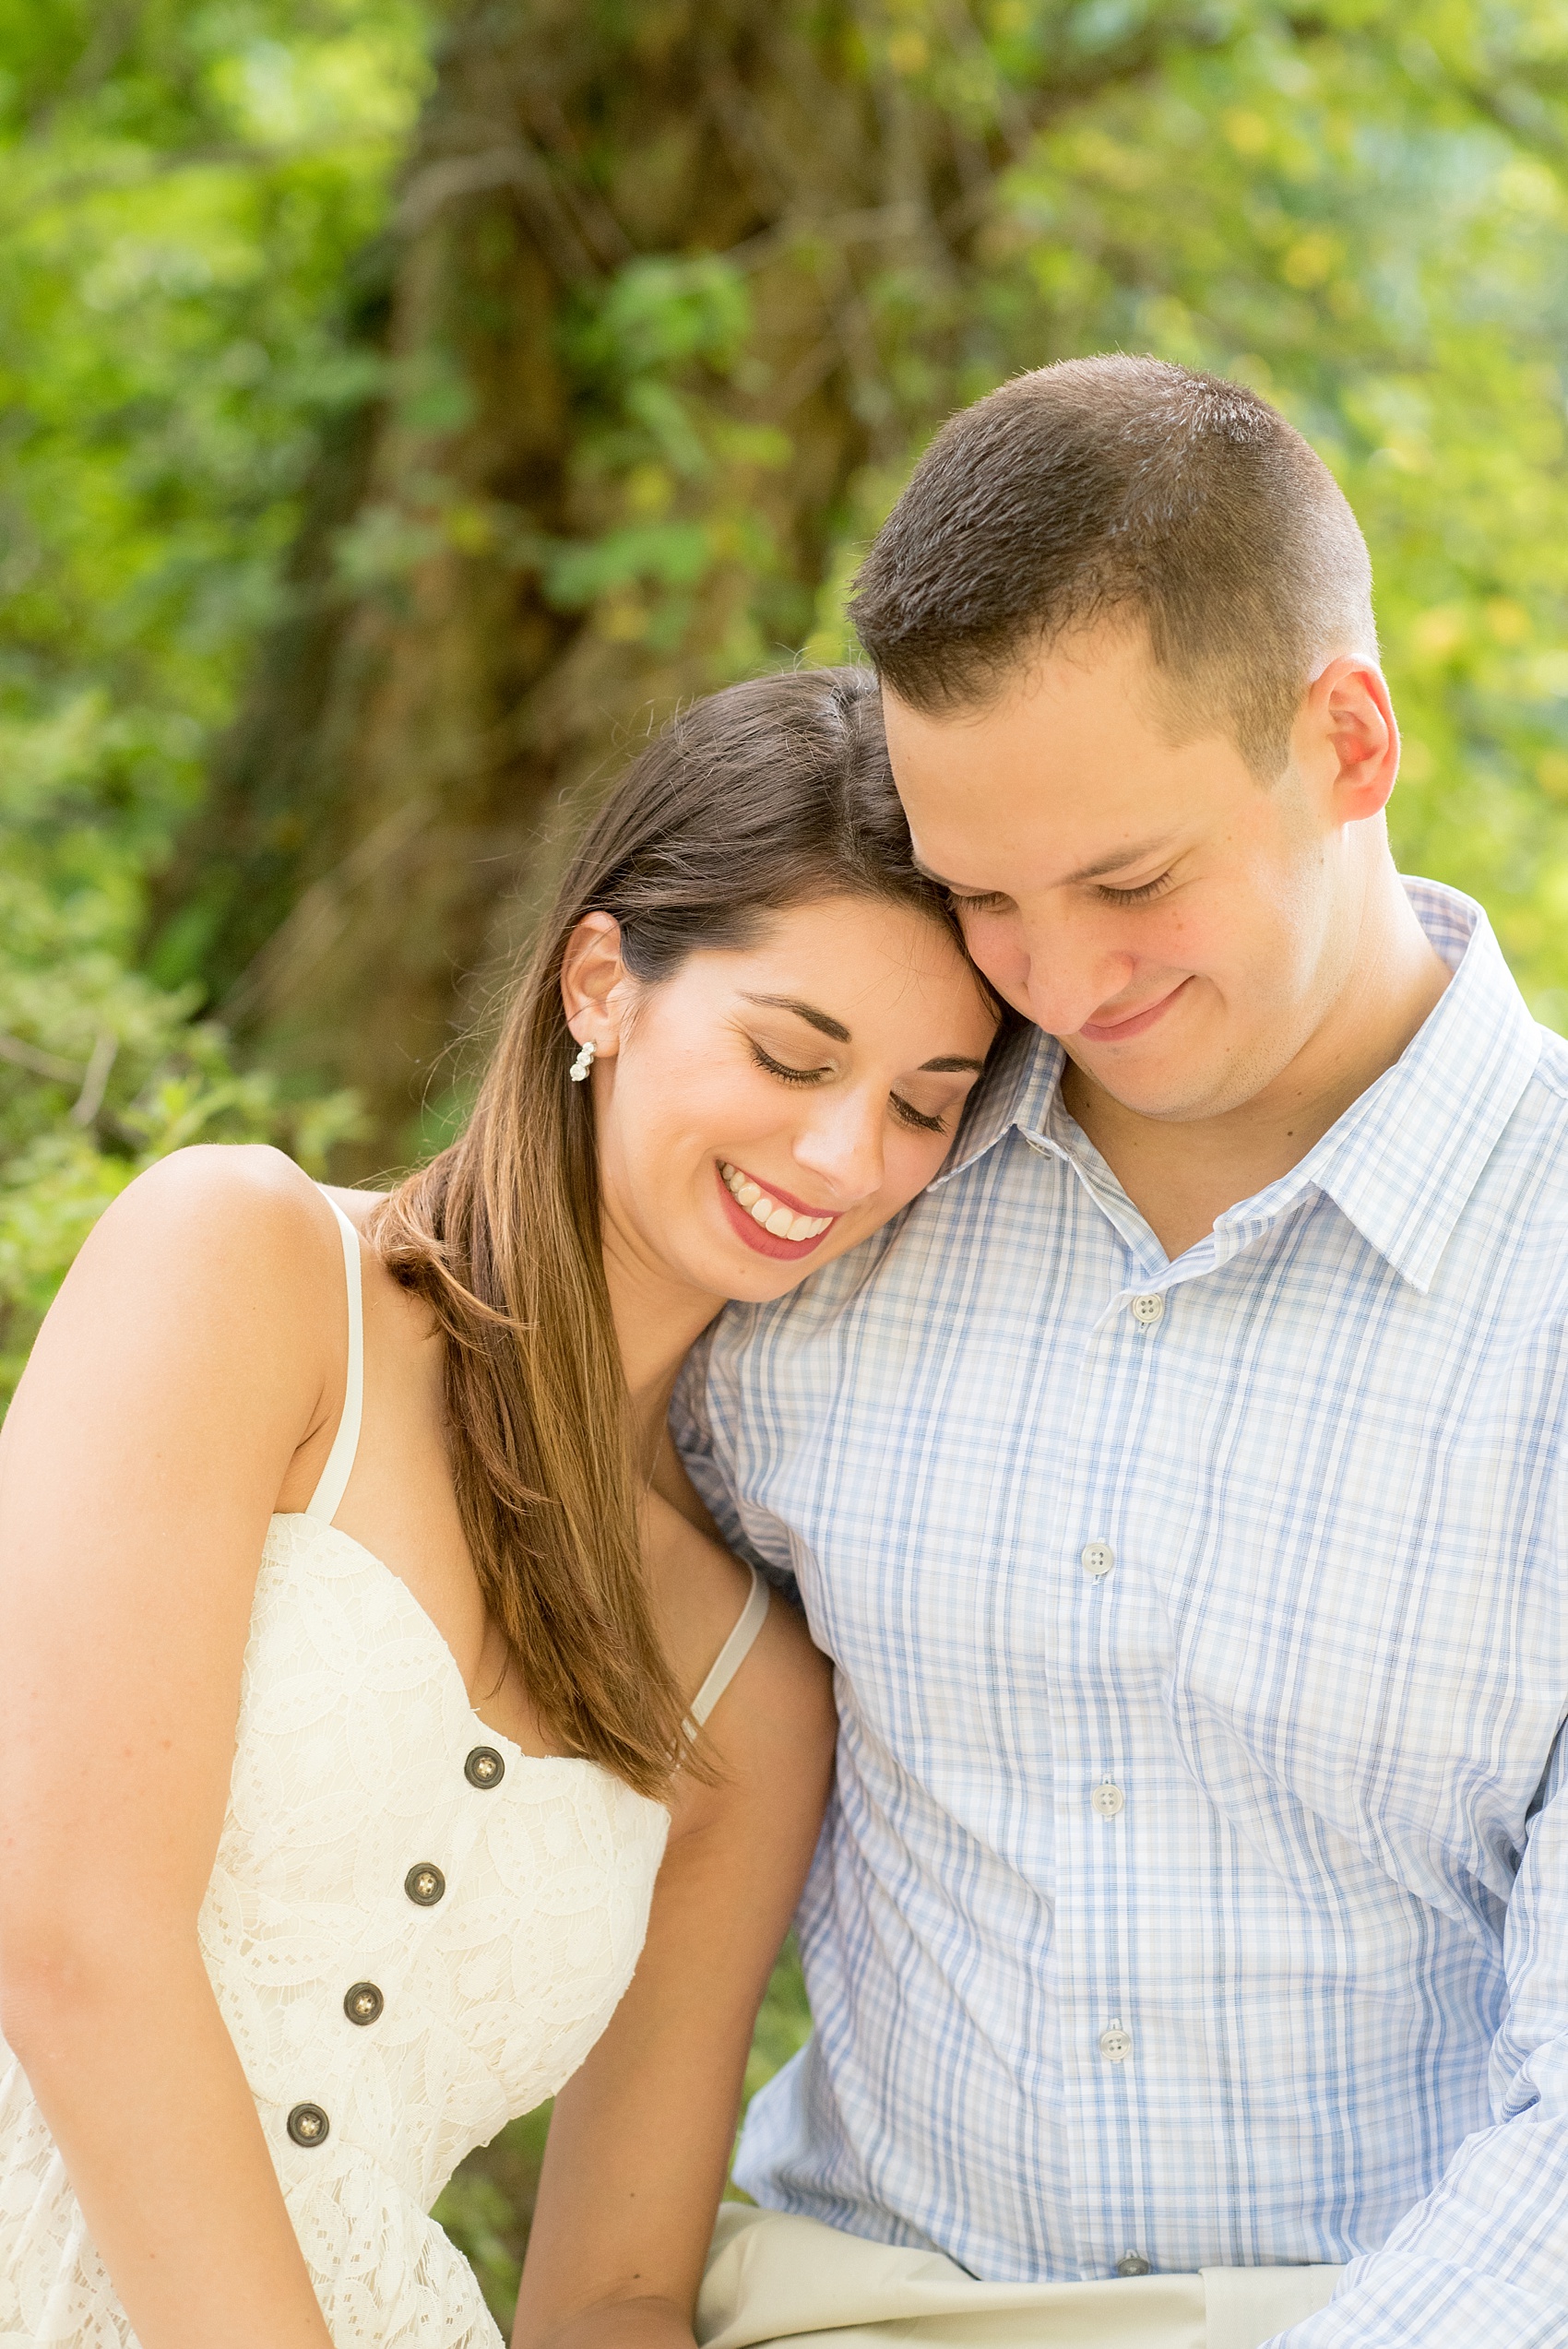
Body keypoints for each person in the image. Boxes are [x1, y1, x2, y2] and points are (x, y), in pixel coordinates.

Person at [677, 358, 1568, 2349]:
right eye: (980, 896)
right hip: (855, 2301)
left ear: (1345, 737)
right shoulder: (838, 1198)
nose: (1061, 984)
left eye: (1131, 880)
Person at [0, 667, 999, 2349]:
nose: (842, 1158)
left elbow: (610, 2287)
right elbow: (68, 1931)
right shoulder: (246, 1269)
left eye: (923, 1106)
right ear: (600, 983)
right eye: (789, 1053)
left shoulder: (745, 1686)